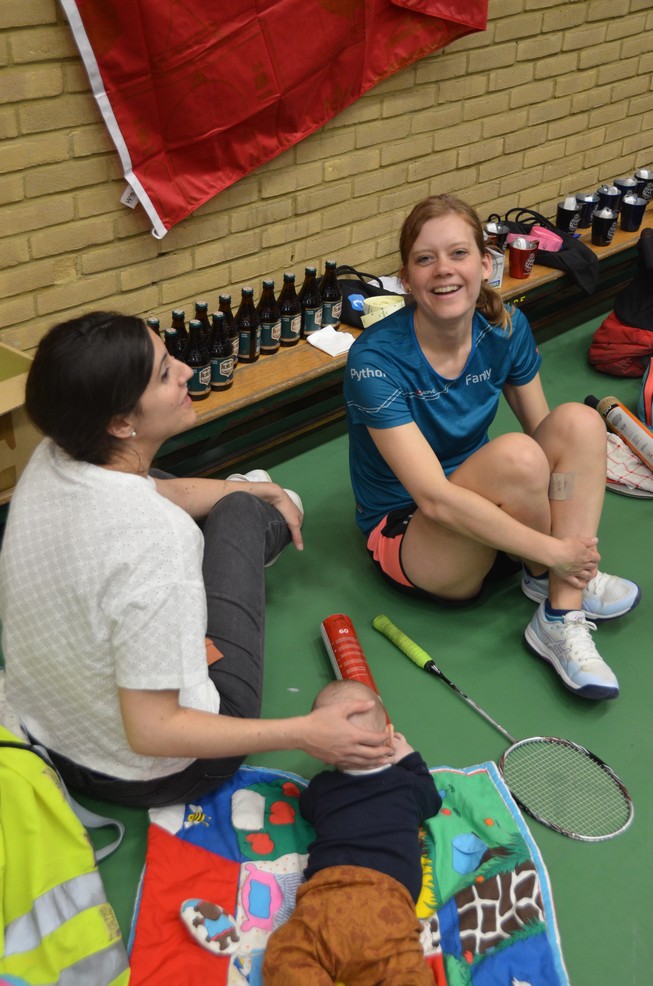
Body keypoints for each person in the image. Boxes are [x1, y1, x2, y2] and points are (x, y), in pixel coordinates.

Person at [0, 312, 393, 808]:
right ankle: (259, 515)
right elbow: (154, 730)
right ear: (121, 422)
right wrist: (305, 731)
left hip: (47, 733)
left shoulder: (54, 453)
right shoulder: (158, 539)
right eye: (166, 373)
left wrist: (260, 488)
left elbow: (151, 489)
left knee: (199, 487)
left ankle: (255, 494)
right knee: (240, 511)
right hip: (155, 772)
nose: (187, 371)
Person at [344, 194, 641, 701]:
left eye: (458, 253)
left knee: (579, 423)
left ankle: (559, 609)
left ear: (485, 264)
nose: (444, 269)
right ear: (406, 279)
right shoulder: (374, 360)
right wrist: (557, 550)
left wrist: (561, 544)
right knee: (518, 457)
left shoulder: (505, 328)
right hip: (418, 536)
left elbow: (555, 446)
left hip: (500, 518)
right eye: (425, 259)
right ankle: (550, 570)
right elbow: (434, 498)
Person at [262, 679, 440, 986]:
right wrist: (411, 760)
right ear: (388, 736)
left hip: (326, 897)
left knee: (288, 956)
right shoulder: (408, 784)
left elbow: (307, 808)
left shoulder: (322, 787)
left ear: (324, 753)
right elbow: (432, 801)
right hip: (388, 903)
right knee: (404, 973)